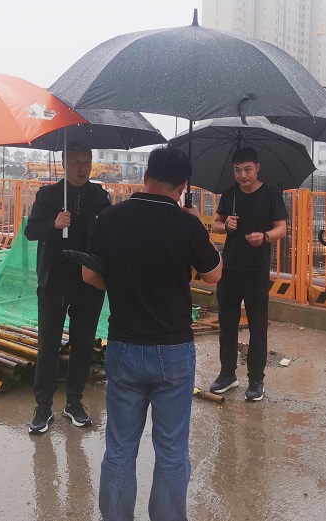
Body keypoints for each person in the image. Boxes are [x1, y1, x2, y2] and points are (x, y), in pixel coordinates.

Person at [83, 145, 222, 521]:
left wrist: (122, 285)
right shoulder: (186, 224)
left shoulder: (110, 217)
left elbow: (89, 274)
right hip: (173, 350)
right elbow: (214, 273)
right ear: (183, 185)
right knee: (172, 450)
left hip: (124, 346)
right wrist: (197, 224)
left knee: (120, 449)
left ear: (145, 176)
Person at [24, 141, 111, 434]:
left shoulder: (100, 196)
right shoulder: (48, 195)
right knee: (48, 344)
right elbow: (30, 230)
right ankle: (43, 407)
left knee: (83, 343)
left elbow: (112, 229)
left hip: (89, 280)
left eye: (86, 162)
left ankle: (74, 402)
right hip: (55, 280)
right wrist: (53, 223)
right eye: (75, 162)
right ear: (64, 164)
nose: (81, 168)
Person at [208, 147, 288, 401]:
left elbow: (282, 228)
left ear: (257, 168)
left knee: (258, 327)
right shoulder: (230, 194)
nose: (243, 175)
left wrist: (264, 236)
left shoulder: (271, 194)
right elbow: (216, 224)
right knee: (227, 324)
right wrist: (225, 225)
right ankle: (227, 374)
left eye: (248, 170)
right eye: (238, 170)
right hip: (230, 269)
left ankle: (256, 380)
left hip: (256, 270)